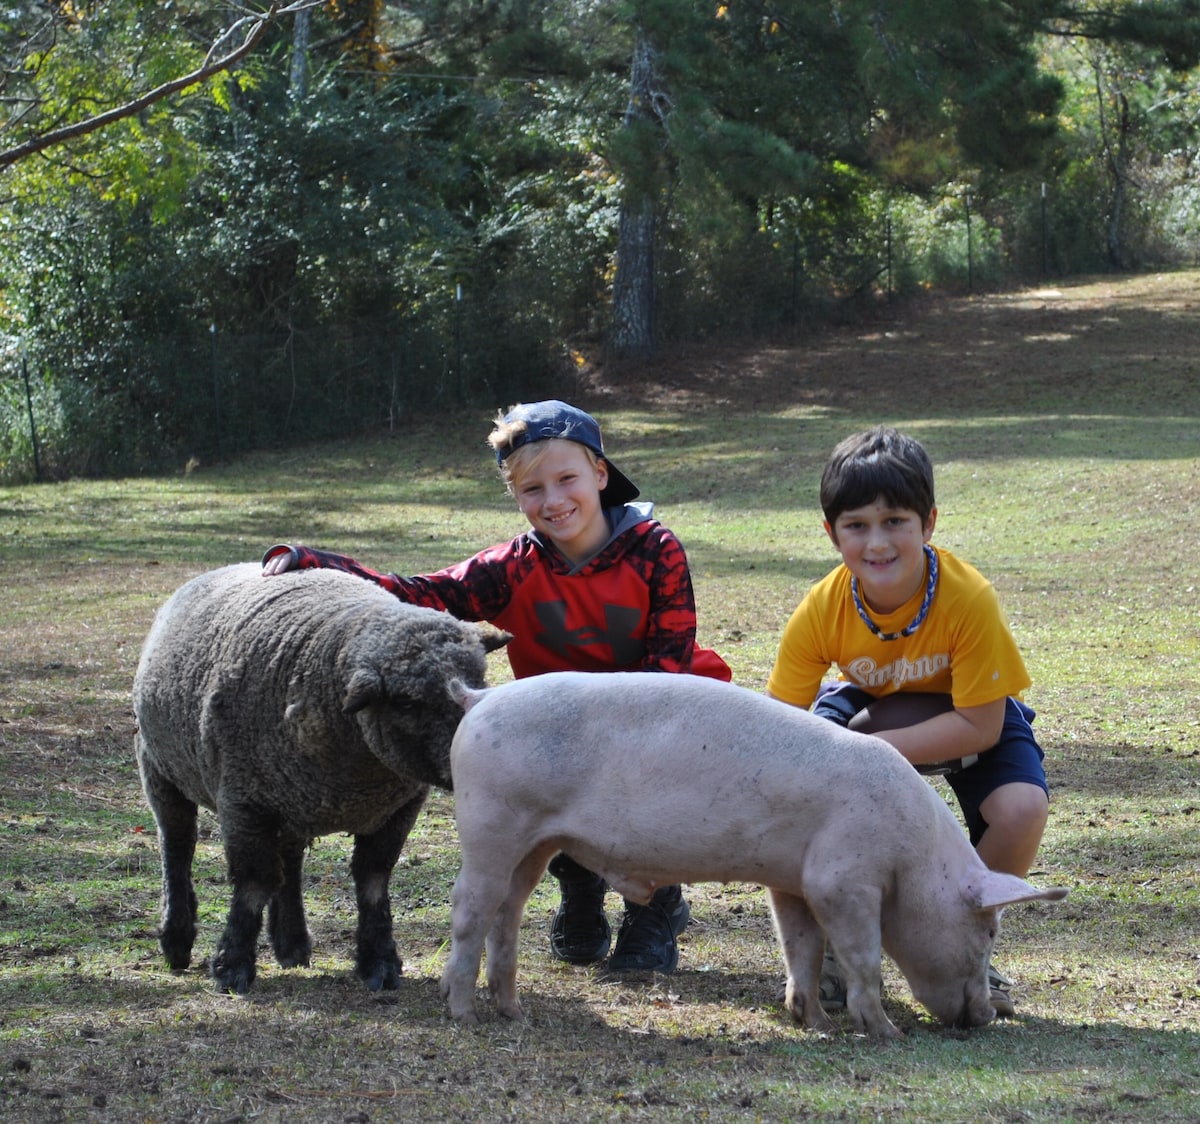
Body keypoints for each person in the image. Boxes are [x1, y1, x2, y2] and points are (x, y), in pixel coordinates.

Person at [262, 399, 730, 974]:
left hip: (655, 713)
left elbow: (670, 669)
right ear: (515, 496)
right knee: (530, 770)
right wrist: (318, 561)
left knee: (656, 781)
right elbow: (419, 594)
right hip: (563, 722)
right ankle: (580, 890)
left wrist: (617, 750)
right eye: (533, 489)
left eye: (567, 479)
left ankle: (655, 908)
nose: (553, 501)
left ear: (600, 475)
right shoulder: (514, 564)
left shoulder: (657, 551)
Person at [766, 425, 1049, 1018]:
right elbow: (781, 731)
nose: (877, 542)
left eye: (895, 521)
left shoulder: (968, 597)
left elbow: (980, 726)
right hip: (864, 709)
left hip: (963, 713)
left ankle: (966, 940)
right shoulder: (822, 607)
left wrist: (876, 754)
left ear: (929, 523)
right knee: (801, 796)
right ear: (830, 532)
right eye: (857, 526)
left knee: (1021, 809)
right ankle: (833, 954)